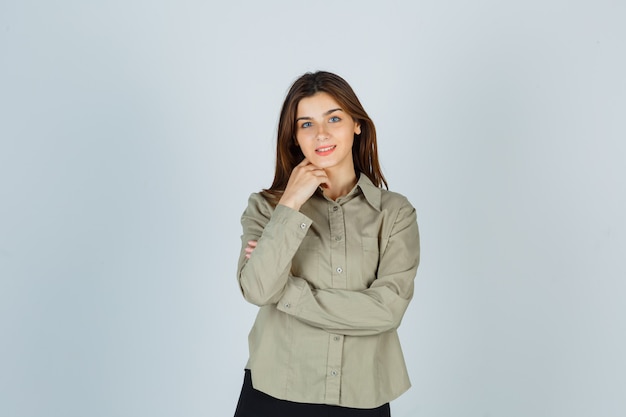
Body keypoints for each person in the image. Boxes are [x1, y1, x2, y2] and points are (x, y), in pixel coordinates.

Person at [234, 71, 420, 417]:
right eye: (306, 124)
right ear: (294, 137)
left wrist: (286, 293)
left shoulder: (394, 213)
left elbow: (387, 310)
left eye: (334, 118)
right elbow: (258, 290)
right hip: (274, 394)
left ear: (357, 124)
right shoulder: (265, 208)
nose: (321, 133)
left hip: (362, 396)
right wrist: (289, 204)